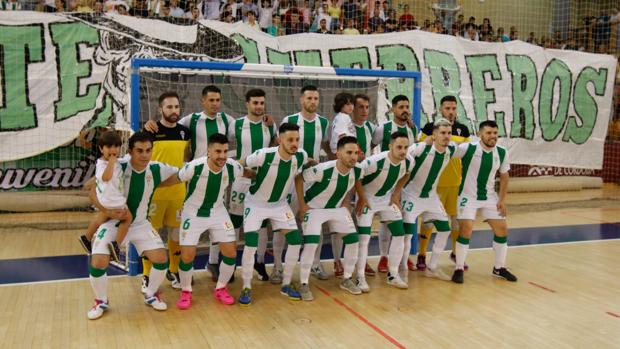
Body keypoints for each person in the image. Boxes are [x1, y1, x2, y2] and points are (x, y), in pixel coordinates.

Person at [86, 132, 178, 320]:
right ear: (129, 152)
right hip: (114, 223)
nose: (144, 155)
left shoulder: (156, 169)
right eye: (139, 151)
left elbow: (181, 174)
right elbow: (90, 188)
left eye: (148, 150)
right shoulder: (119, 166)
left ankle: (151, 294)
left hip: (141, 224)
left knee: (161, 259)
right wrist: (106, 210)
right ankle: (100, 300)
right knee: (98, 262)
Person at [160, 133, 248, 308]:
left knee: (230, 252)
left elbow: (247, 172)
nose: (222, 156)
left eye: (225, 151)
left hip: (218, 212)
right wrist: (152, 185)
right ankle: (186, 291)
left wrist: (262, 178)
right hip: (193, 213)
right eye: (218, 151)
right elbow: (173, 179)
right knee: (187, 256)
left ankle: (221, 288)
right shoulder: (194, 167)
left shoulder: (232, 167)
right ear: (208, 151)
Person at [237, 123, 310, 306]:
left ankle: (286, 284)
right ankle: (246, 286)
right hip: (255, 204)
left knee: (295, 241)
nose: (295, 144)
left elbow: (307, 164)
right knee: (251, 245)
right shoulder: (264, 155)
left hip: (279, 205)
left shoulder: (300, 156)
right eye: (290, 140)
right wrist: (246, 174)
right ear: (279, 140)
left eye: (297, 140)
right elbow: (240, 163)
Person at [295, 136, 364, 300]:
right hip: (314, 208)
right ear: (338, 153)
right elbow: (299, 179)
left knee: (353, 241)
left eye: (356, 153)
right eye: (349, 152)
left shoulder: (357, 170)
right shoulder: (323, 169)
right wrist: (303, 205)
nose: (353, 156)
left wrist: (346, 202)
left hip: (336, 209)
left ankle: (346, 279)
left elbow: (348, 185)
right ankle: (303, 283)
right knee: (311, 243)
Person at [451, 120, 517, 284]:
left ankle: (499, 268)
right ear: (480, 134)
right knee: (466, 229)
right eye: (488, 133)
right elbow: (448, 151)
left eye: (495, 133)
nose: (492, 136)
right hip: (467, 196)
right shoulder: (469, 148)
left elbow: (505, 176)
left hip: (489, 197)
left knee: (502, 229)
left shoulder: (501, 152)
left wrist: (502, 200)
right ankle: (459, 268)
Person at [393, 118, 456, 283]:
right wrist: (395, 193)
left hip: (431, 197)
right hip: (411, 195)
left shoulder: (451, 150)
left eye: (449, 133)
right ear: (434, 134)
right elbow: (398, 157)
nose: (446, 136)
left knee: (444, 229)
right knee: (406, 235)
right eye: (442, 133)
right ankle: (402, 270)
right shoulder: (420, 148)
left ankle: (432, 268)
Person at [141, 92, 190, 292]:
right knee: (149, 234)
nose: (173, 110)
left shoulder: (185, 133)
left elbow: (186, 156)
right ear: (160, 109)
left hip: (178, 192)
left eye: (176, 107)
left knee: (176, 233)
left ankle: (174, 270)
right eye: (169, 107)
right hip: (155, 192)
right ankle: (146, 275)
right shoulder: (150, 131)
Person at [281, 85, 330, 280]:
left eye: (316, 98)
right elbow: (280, 147)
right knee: (283, 222)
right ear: (301, 100)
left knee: (314, 224)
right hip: (290, 180)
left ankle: (315, 264)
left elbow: (326, 145)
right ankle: (278, 266)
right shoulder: (289, 120)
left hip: (313, 180)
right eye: (309, 98)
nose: (313, 102)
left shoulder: (324, 122)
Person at [227, 89, 277, 282]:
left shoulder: (270, 126)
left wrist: (274, 129)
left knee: (262, 224)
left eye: (261, 103)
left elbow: (276, 146)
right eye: (255, 103)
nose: (259, 106)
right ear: (247, 104)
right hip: (241, 180)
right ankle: (229, 264)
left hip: (262, 180)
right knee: (236, 222)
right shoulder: (236, 125)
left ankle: (260, 261)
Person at [418, 95, 470, 271]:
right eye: (447, 108)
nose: (451, 111)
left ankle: (455, 253)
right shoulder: (429, 128)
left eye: (454, 108)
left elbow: (467, 156)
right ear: (440, 109)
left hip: (455, 184)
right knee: (428, 222)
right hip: (435, 184)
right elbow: (421, 151)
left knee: (456, 221)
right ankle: (422, 254)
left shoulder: (463, 130)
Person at [356, 132, 413, 292]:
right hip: (367, 198)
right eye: (399, 147)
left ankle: (393, 275)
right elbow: (356, 176)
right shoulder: (374, 161)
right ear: (390, 147)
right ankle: (360, 277)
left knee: (400, 234)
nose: (403, 151)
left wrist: (395, 194)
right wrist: (360, 197)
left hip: (386, 199)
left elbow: (407, 174)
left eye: (406, 147)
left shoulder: (408, 161)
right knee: (364, 238)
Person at [372, 95, 417, 274]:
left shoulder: (412, 130)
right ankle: (384, 257)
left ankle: (402, 258)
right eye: (401, 107)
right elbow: (371, 146)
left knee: (406, 218)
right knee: (386, 220)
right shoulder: (383, 128)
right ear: (393, 110)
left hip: (405, 180)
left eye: (407, 106)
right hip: (385, 180)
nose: (405, 110)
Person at [79, 130, 132, 263]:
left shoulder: (116, 161)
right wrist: (111, 163)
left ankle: (86, 237)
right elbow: (106, 177)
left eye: (116, 146)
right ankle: (116, 245)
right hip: (113, 201)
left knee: (100, 219)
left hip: (107, 200)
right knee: (127, 218)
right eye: (109, 147)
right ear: (101, 149)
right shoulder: (103, 164)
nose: (113, 149)